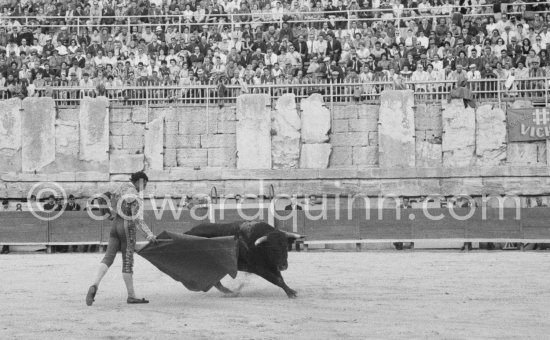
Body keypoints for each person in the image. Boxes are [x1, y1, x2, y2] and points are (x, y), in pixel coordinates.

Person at [86, 171, 157, 306]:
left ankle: (95, 284)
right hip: (127, 227)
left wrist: (108, 215)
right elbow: (137, 220)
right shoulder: (135, 197)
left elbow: (102, 198)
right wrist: (149, 235)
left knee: (108, 257)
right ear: (139, 181)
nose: (145, 187)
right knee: (128, 261)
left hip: (115, 224)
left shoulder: (120, 187)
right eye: (144, 184)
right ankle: (131, 296)